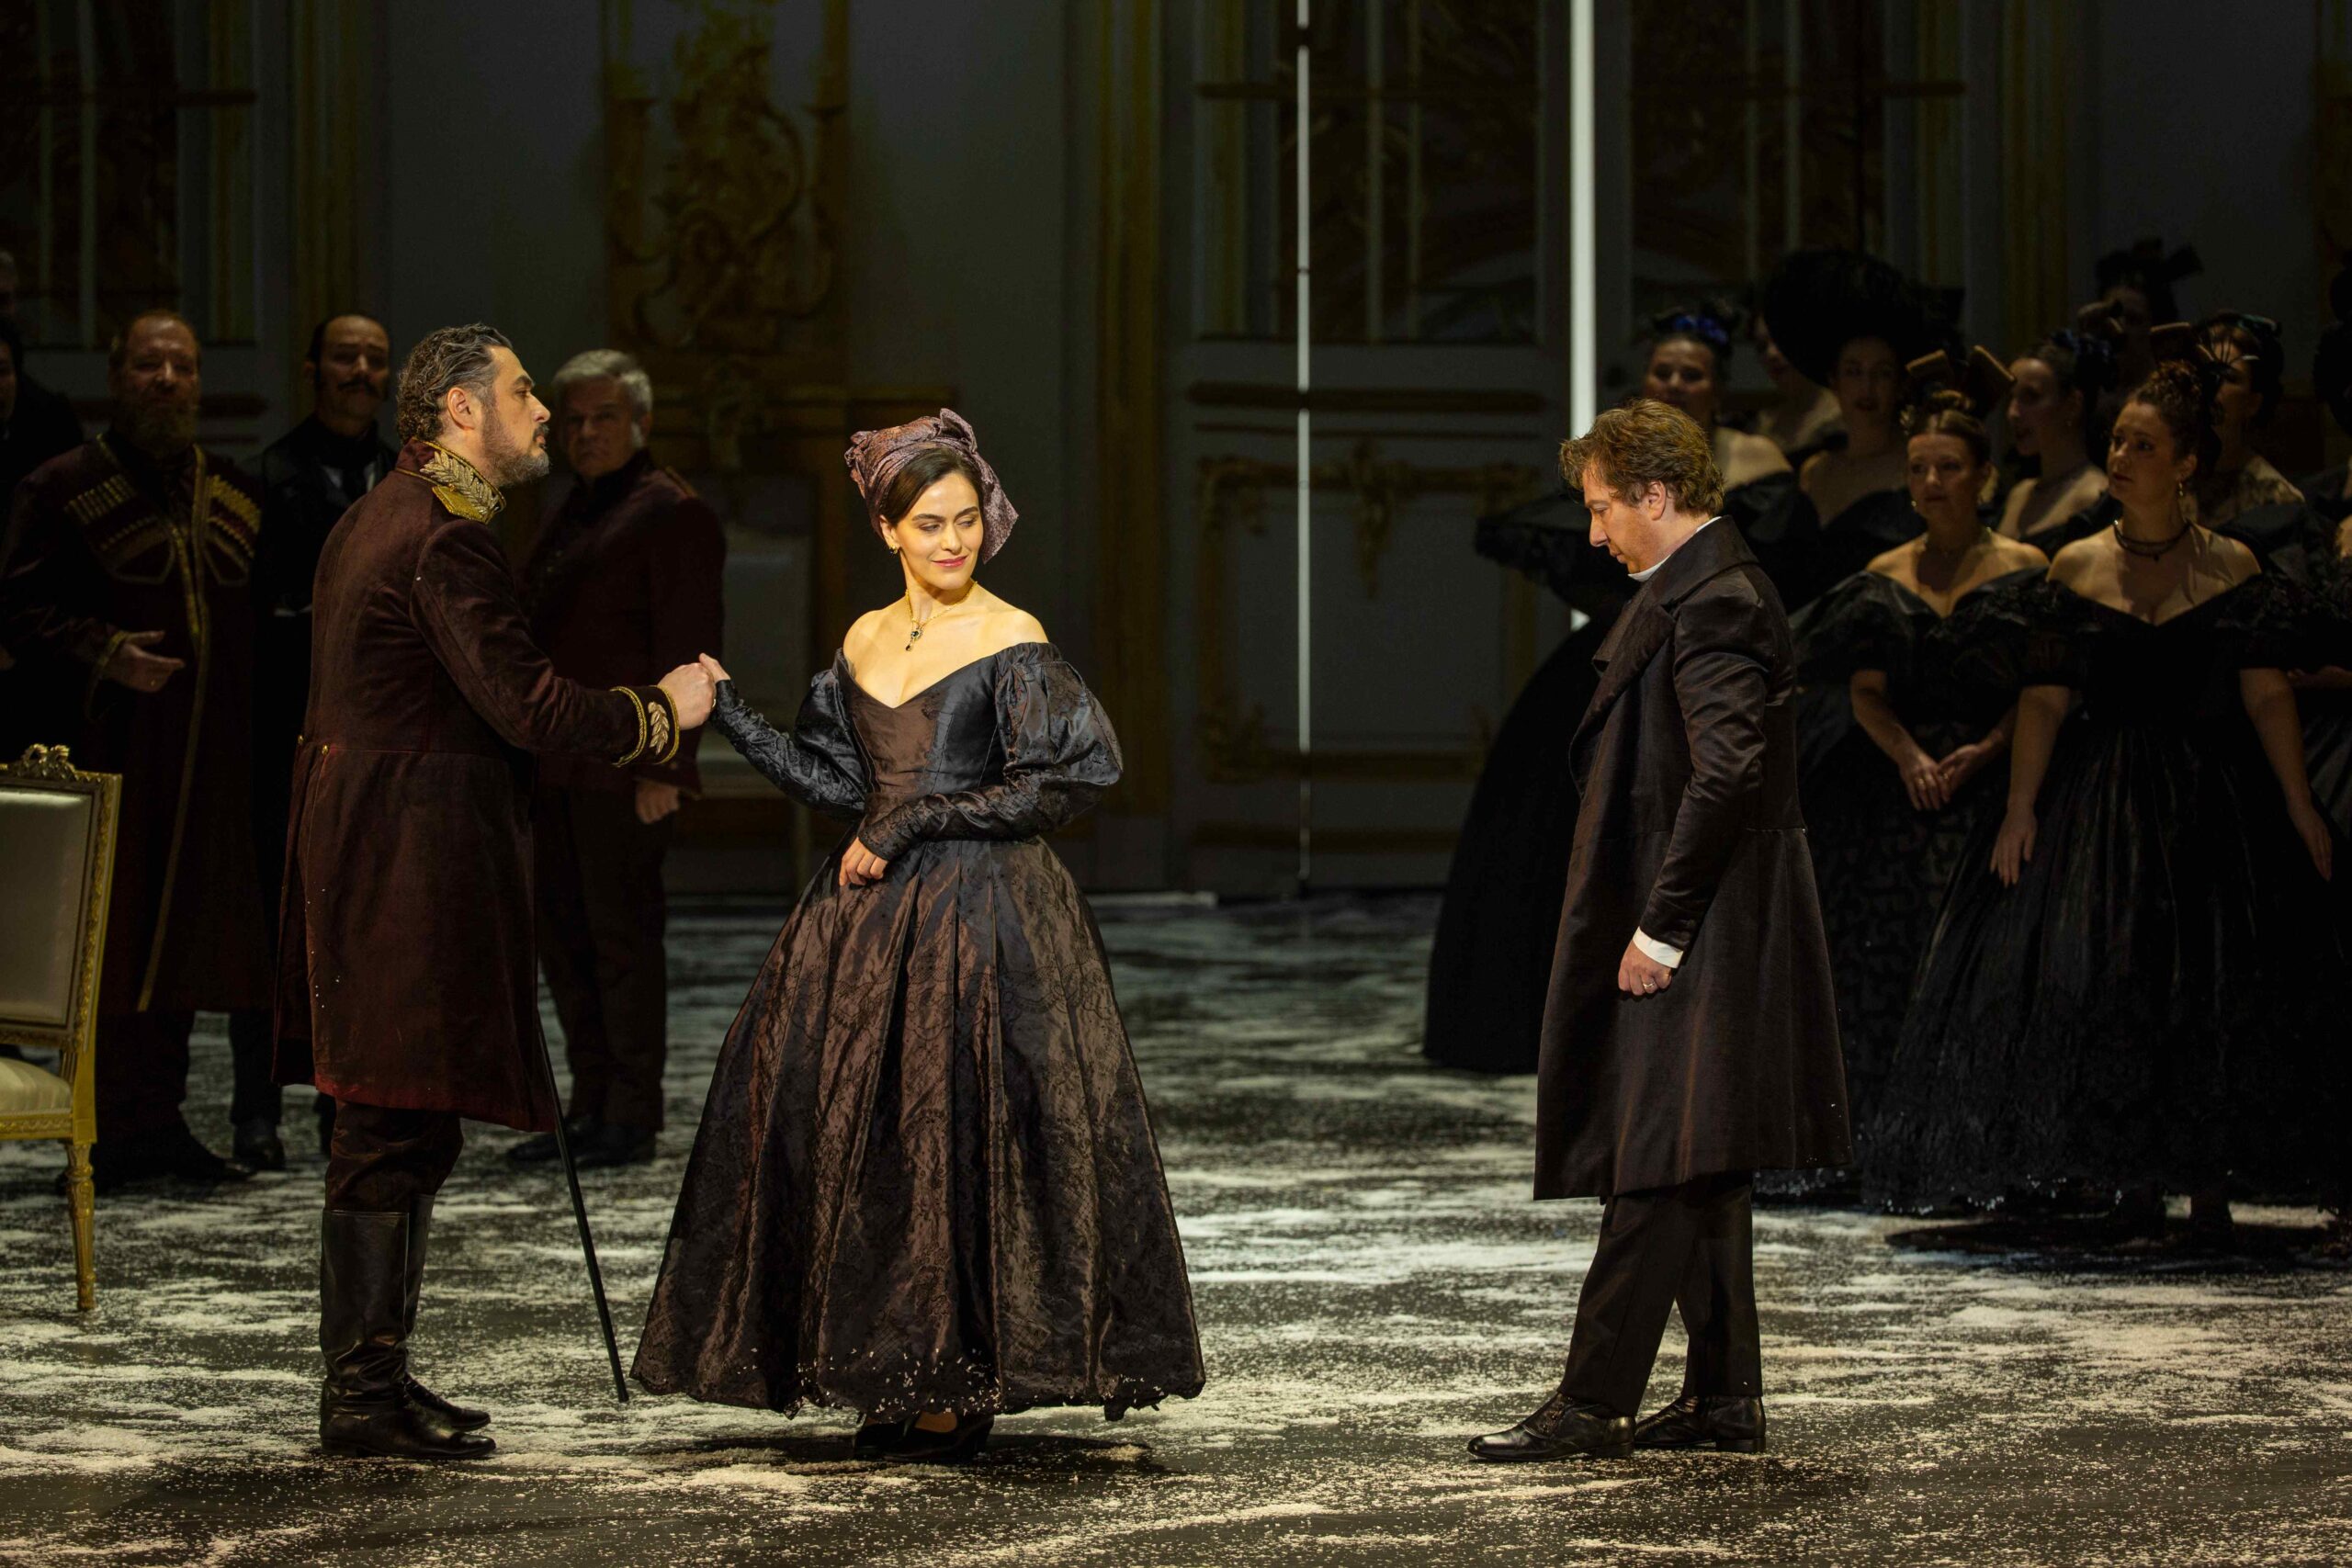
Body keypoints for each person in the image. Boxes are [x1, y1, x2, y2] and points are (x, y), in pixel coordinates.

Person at [633, 409, 1204, 1463]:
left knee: (965, 1136)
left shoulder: (1011, 636)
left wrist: (912, 820)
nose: (954, 541)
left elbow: (1062, 780)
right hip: (868, 921)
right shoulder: (860, 638)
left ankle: (959, 1377)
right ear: (888, 530)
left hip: (985, 918)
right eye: (930, 524)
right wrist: (735, 718)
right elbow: (839, 783)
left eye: (968, 521)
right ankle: (884, 1364)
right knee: (867, 1134)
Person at [275, 322, 715, 1461]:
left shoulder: (390, 513)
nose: (541, 415)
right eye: (523, 393)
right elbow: (531, 708)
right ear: (462, 410)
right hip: (405, 858)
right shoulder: (440, 536)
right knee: (385, 1117)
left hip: (383, 847)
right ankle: (362, 1395)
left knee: (402, 1118)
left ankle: (377, 1381)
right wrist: (661, 710)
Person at [1865, 361, 2346, 1237]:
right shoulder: (2080, 566)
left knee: (2213, 979)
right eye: (2118, 439)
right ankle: (2128, 1175)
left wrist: (2299, 801)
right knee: (2111, 968)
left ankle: (2209, 1180)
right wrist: (2021, 808)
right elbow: (2044, 698)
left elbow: (2267, 691)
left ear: (2187, 463)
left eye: (2143, 444)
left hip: (2212, 793)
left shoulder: (2235, 564)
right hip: (2106, 796)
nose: (2121, 455)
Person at [1469, 400, 1849, 1464]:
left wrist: (1664, 930)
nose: (1592, 534)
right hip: (1698, 912)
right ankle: (1725, 1397)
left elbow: (1728, 776)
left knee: (1656, 1160)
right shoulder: (1689, 591)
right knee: (1700, 1157)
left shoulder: (1717, 599)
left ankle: (1594, 1400)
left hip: (1708, 923)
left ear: (1654, 495)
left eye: (1601, 510)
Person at [0, 310, 268, 1189]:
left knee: (188, 939)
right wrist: (104, 651)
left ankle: (163, 1122)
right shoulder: (60, 487)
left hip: (209, 764)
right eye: (150, 365)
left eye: (183, 367)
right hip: (109, 757)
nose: (167, 382)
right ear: (117, 376)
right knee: (108, 945)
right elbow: (19, 610)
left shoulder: (230, 491)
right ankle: (106, 1122)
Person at [1792, 350, 2045, 1168]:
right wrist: (1908, 756)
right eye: (1919, 469)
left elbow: (2045, 687)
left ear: (1985, 477)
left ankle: (1980, 1140)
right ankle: (1886, 1137)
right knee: (1883, 952)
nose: (1932, 482)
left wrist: (1985, 752)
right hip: (1900, 777)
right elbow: (1866, 690)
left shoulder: (2026, 569)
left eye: (1948, 467)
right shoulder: (1882, 575)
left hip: (1993, 770)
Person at [503, 350, 724, 1171]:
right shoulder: (572, 506)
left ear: (640, 422)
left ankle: (629, 1112)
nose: (586, 432)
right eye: (575, 419)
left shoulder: (672, 511)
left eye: (603, 417)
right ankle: (589, 1103)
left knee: (622, 942)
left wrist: (667, 768)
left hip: (631, 763)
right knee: (565, 940)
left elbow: (692, 646)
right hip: (560, 761)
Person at [232, 312, 397, 1169]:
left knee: (358, 928)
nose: (361, 369)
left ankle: (348, 1110)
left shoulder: (405, 473)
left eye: (374, 357)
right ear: (312, 368)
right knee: (271, 926)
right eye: (345, 356)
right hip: (286, 734)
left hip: (377, 738)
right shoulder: (267, 475)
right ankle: (254, 1110)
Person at [1423, 486, 1630, 1074]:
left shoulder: (1759, 465)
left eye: (1693, 380)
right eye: (1667, 380)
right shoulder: (1621, 468)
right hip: (1602, 666)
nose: (1674, 384)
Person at [1761, 249, 1945, 603]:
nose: (1867, 388)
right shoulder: (1814, 469)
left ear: (1901, 384)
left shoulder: (1919, 468)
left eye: (1882, 373)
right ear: (1834, 379)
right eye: (1854, 372)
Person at [1636, 307, 1816, 600]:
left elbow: (1786, 568)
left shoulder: (1758, 458)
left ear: (1717, 391)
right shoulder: (1618, 458)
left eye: (1692, 375)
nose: (1674, 385)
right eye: (1662, 373)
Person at [1998, 326, 2118, 546]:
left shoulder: (2095, 497)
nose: (2013, 413)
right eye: (2012, 399)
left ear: (2072, 405)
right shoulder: (2019, 493)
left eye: (2031, 397)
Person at [2191, 312, 2305, 529]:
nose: (2213, 387)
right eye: (2207, 374)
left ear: (2253, 402)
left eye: (2229, 378)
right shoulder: (2168, 479)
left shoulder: (2276, 497)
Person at [2093, 238, 2201, 392]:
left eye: (2133, 320)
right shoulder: (2090, 395)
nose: (2119, 328)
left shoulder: (2171, 397)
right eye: (2112, 317)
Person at [1747, 312, 1843, 463]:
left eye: (1781, 340)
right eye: (1762, 347)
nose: (1771, 354)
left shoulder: (1845, 413)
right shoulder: (1762, 423)